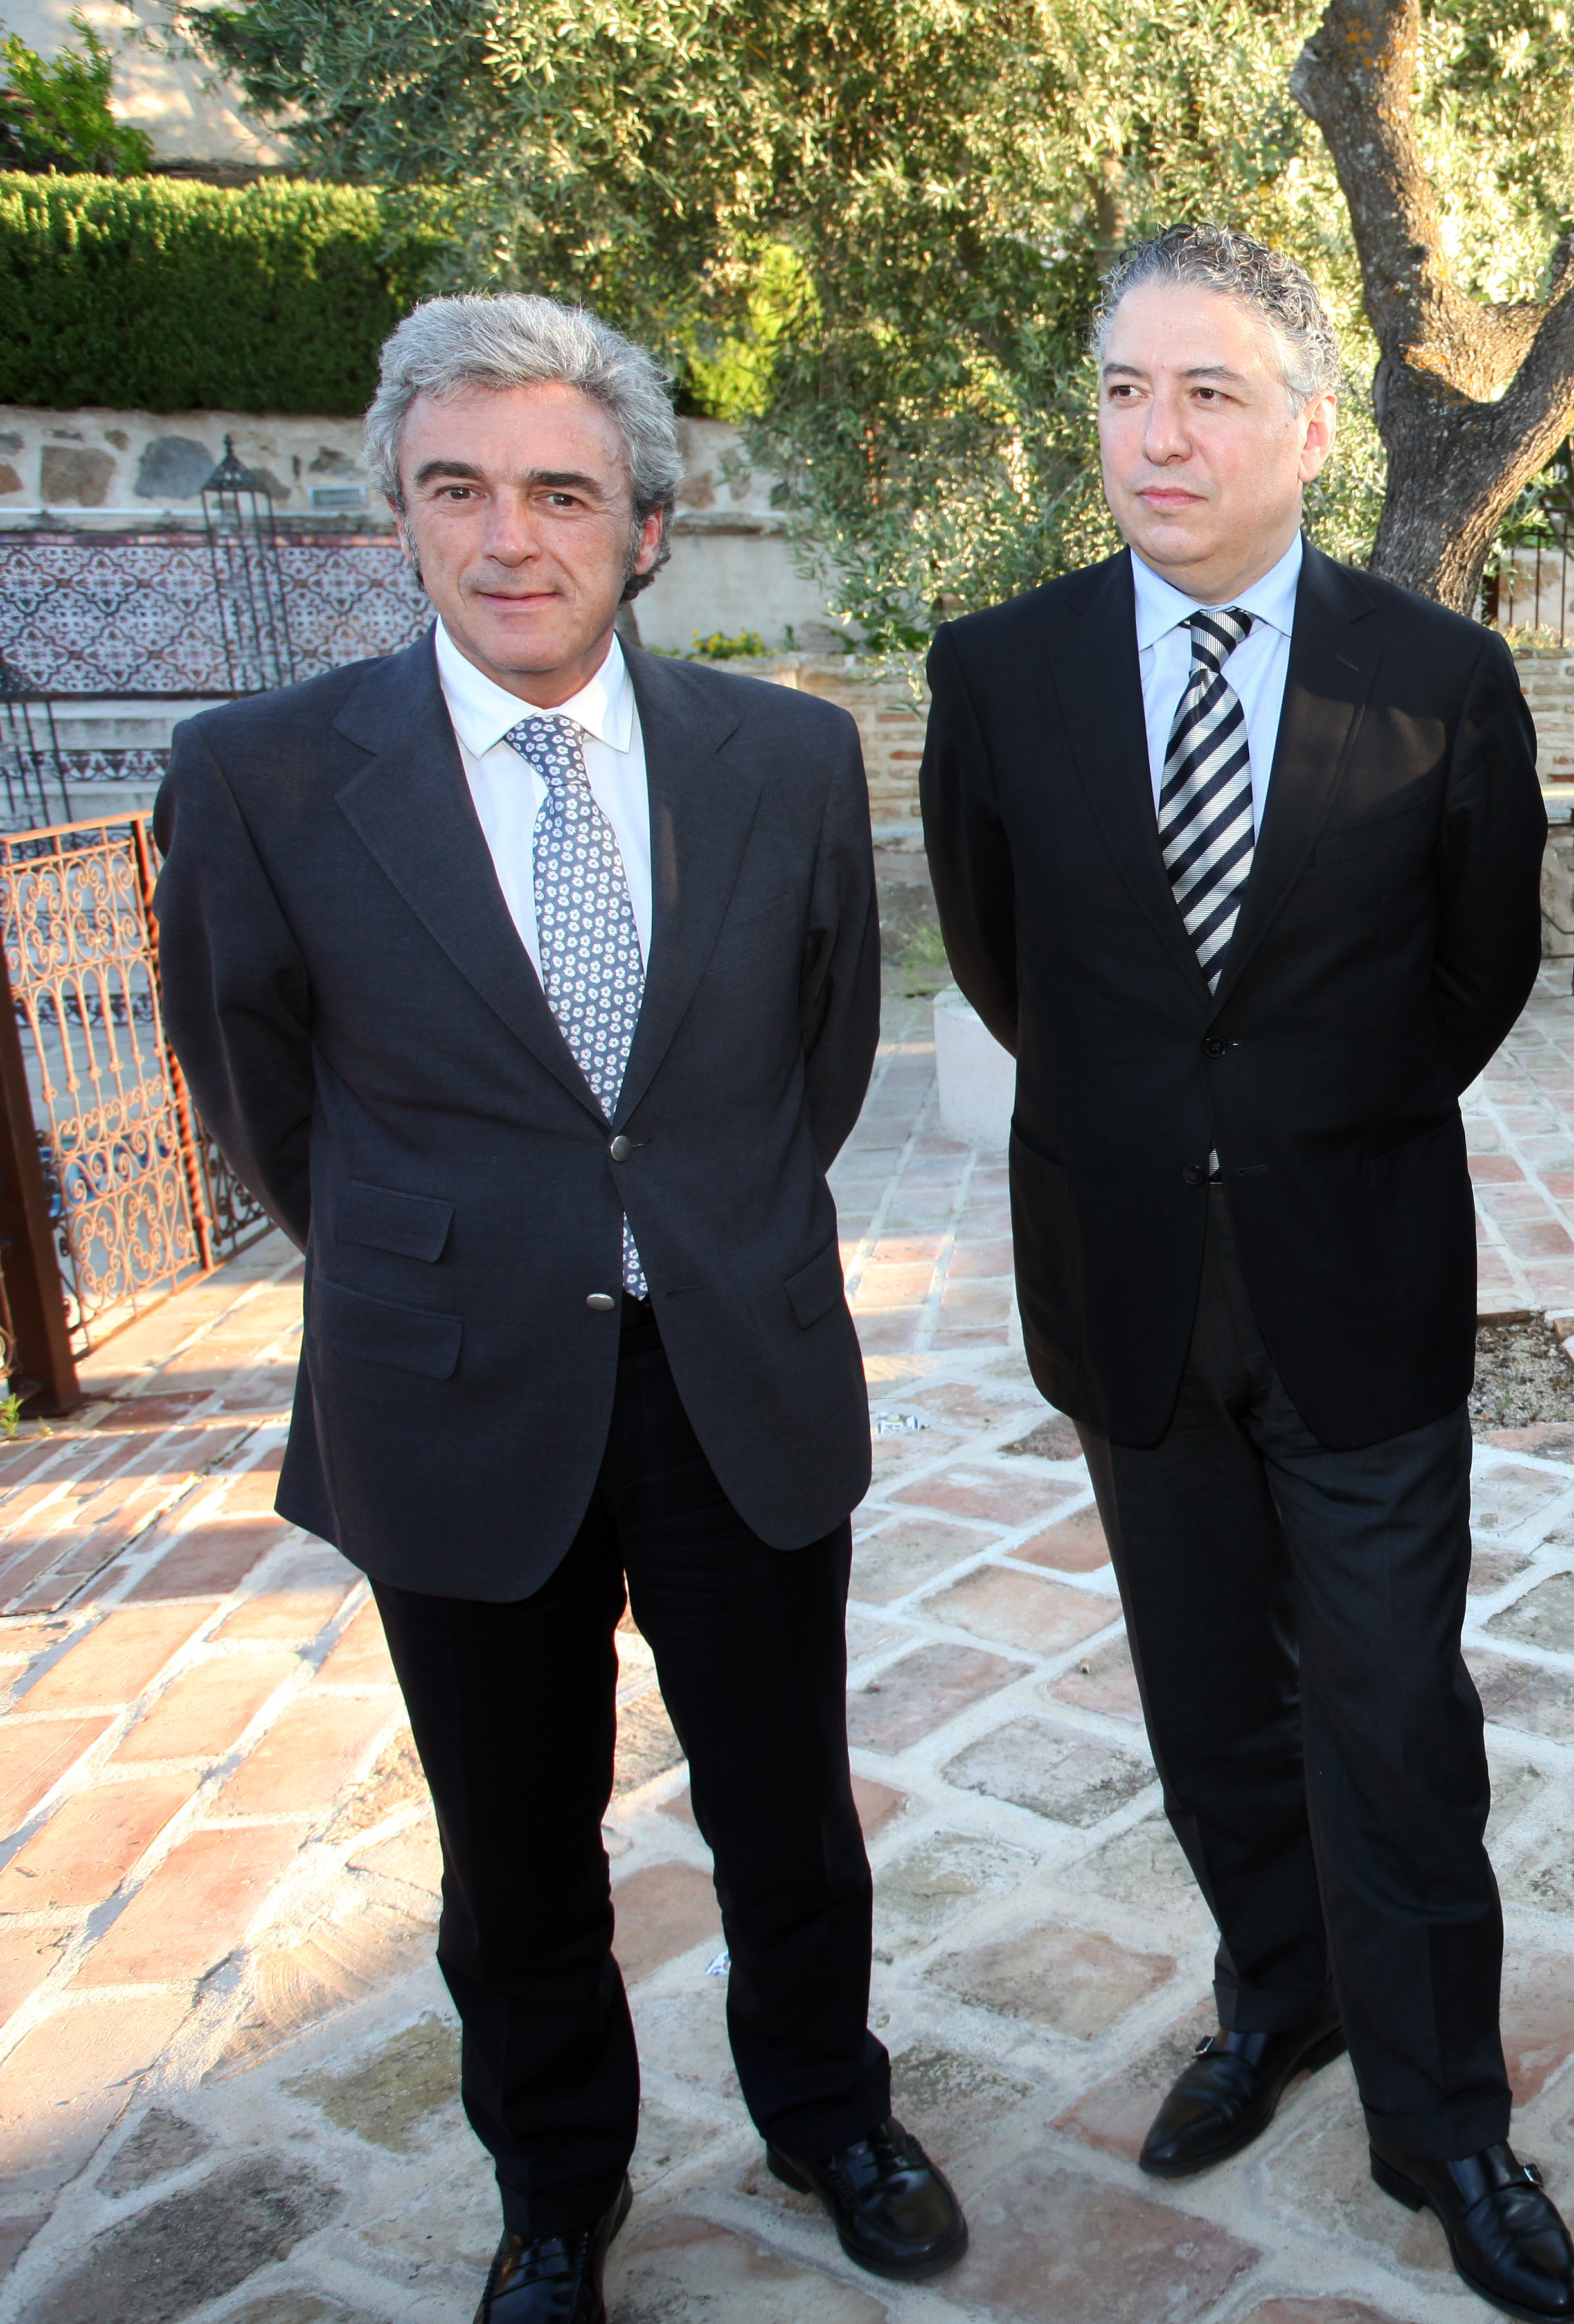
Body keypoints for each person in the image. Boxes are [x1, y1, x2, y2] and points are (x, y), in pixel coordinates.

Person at [154, 294, 959, 2322]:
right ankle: (554, 2193)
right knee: (515, 1848)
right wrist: (454, 1258)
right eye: (459, 489)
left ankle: (830, 2116)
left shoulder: (785, 756)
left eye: (561, 494)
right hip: (452, 1390)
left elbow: (814, 1060)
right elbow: (260, 1092)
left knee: (786, 1809)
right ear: (400, 516)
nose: (510, 537)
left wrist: (695, 1227)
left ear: (647, 527)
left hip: (731, 1370)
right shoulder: (261, 776)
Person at [918, 224, 1574, 2324]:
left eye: (1207, 393)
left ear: (1307, 429)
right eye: (1126, 390)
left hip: (1356, 1274)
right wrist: (1163, 1126)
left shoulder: (1437, 677)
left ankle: (1445, 2118)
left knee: (1394, 1714)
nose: (1158, 434)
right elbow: (1011, 967)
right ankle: (1275, 1998)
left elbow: (1477, 975)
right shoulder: (999, 673)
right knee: (1206, 1699)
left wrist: (1304, 1125)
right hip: (1123, 1279)